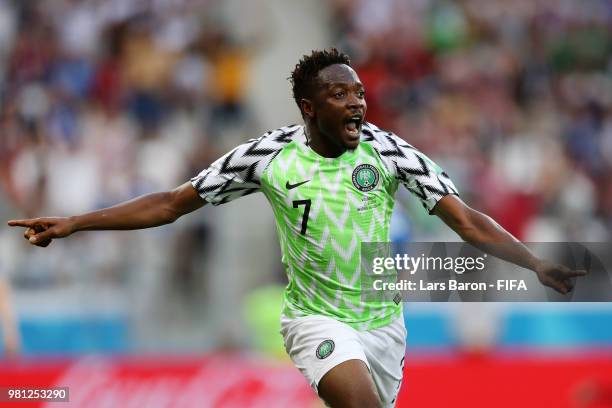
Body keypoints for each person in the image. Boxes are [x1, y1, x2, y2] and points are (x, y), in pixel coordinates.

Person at [7, 49, 586, 408]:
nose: (357, 103)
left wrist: (534, 261)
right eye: (340, 95)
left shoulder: (388, 152)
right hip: (314, 320)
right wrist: (76, 222)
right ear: (310, 107)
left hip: (384, 327)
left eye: (359, 92)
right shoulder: (264, 157)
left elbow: (465, 220)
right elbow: (171, 204)